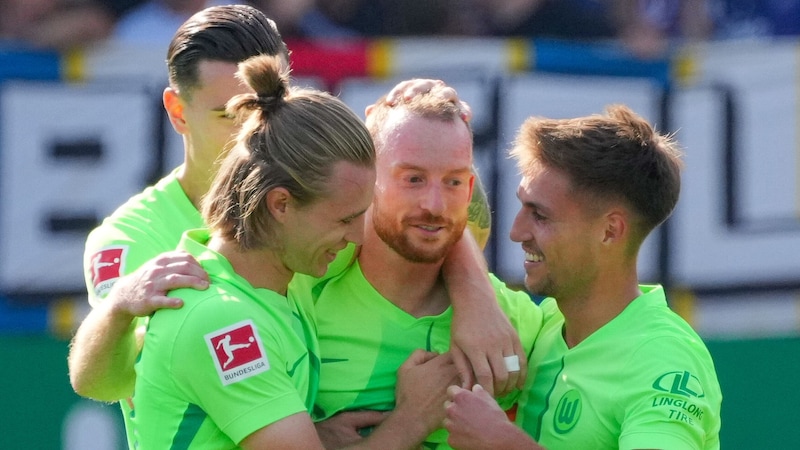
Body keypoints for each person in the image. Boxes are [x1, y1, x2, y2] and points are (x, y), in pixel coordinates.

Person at [68, 3, 523, 446]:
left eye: (265, 107)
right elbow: (106, 383)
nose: (253, 128)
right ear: (178, 110)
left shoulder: (316, 211)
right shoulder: (138, 244)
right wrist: (118, 306)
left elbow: (428, 217)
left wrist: (476, 301)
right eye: (229, 114)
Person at [133, 52, 382, 448]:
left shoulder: (278, 279)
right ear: (281, 205)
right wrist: (416, 416)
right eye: (343, 220)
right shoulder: (222, 319)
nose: (358, 238)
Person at [443, 105, 722, 449]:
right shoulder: (538, 324)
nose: (516, 232)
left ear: (609, 231)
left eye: (540, 215)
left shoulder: (663, 357)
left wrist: (501, 442)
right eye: (523, 208)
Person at [303, 87, 542, 449]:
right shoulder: (298, 294)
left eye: (453, 182)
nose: (434, 204)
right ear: (369, 178)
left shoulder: (518, 325)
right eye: (413, 178)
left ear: (470, 188)